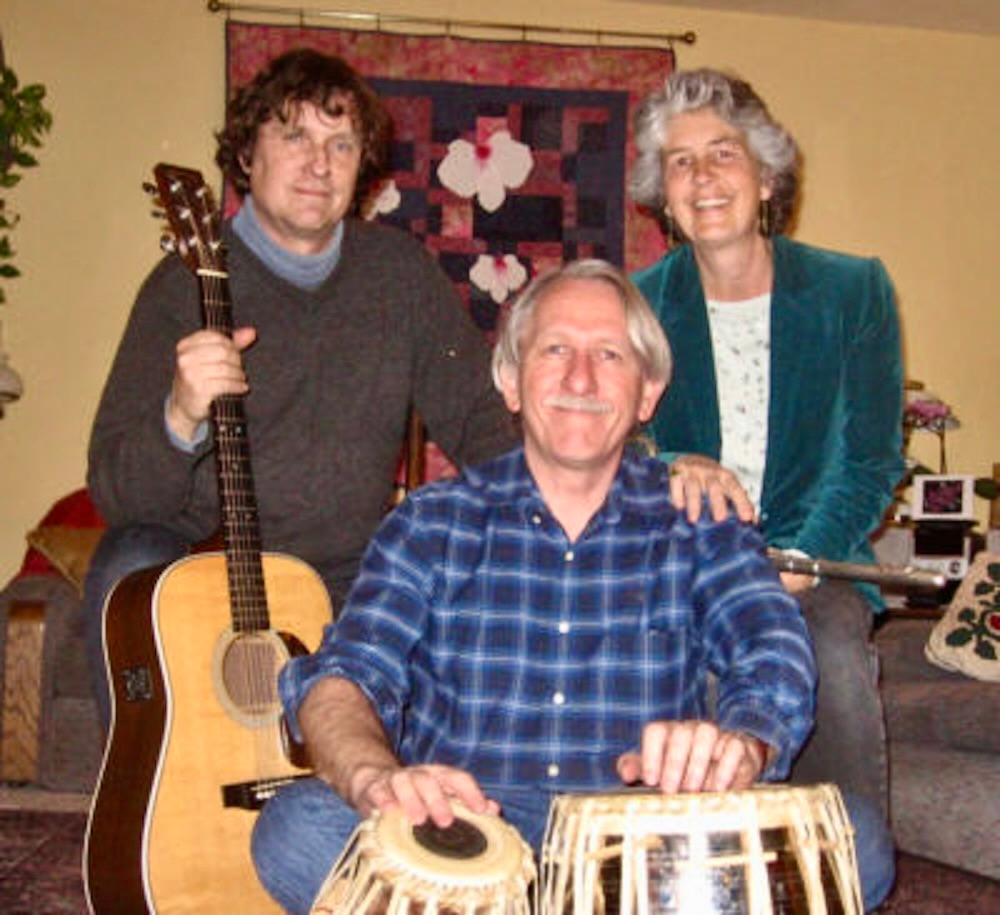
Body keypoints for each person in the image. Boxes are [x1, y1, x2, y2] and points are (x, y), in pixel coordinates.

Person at [250, 259, 827, 914]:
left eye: (608, 354)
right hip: (463, 837)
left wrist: (741, 742)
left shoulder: (699, 521)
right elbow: (344, 676)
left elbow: (772, 648)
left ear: (647, 393)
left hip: (640, 845)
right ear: (510, 380)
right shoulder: (430, 521)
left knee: (855, 839)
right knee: (297, 827)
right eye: (555, 349)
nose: (580, 378)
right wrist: (374, 777)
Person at [83, 48, 516, 730]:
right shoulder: (179, 287)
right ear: (246, 156)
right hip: (206, 570)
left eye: (341, 144)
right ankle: (145, 778)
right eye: (295, 136)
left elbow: (479, 421)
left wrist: (548, 518)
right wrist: (180, 414)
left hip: (349, 579)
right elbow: (119, 498)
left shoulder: (400, 276)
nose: (320, 164)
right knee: (128, 563)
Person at [628, 65, 904, 888]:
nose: (703, 178)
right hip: (684, 563)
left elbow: (869, 458)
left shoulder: (854, 290)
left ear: (767, 175)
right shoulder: (638, 304)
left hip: (816, 564)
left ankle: (844, 871)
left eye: (723, 153)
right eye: (680, 162)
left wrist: (802, 559)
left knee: (829, 654)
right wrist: (672, 462)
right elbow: (609, 444)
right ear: (662, 193)